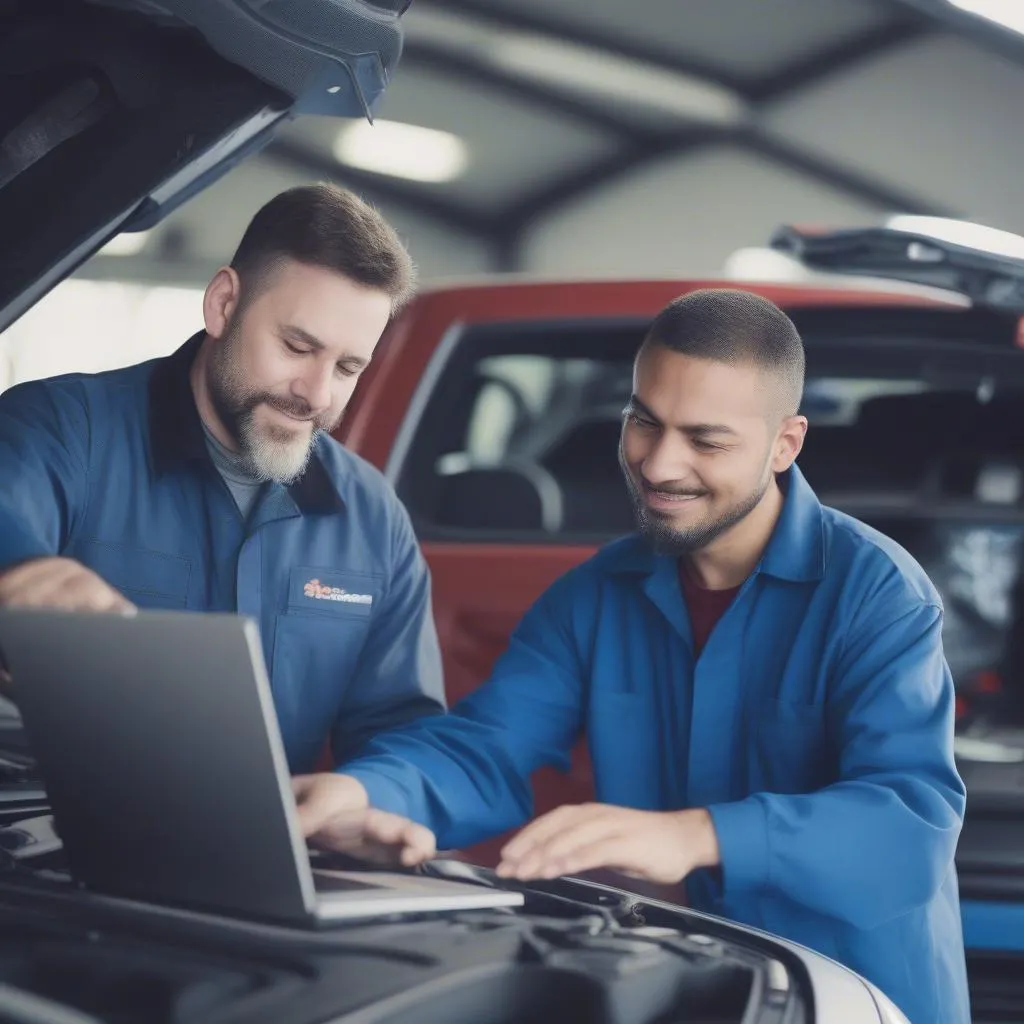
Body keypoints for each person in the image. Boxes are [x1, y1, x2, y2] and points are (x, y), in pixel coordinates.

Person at [291, 289, 970, 1024]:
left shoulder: (877, 594)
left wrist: (696, 835)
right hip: (685, 987)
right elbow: (486, 747)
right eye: (644, 422)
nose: (659, 464)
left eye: (706, 440)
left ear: (786, 443)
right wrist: (363, 793)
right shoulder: (594, 595)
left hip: (856, 998)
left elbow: (907, 825)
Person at [0, 183, 446, 773]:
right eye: (295, 346)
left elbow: (403, 730)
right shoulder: (62, 429)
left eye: (347, 367)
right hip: (50, 848)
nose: (316, 394)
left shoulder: (372, 518)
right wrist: (21, 573)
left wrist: (379, 794)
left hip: (263, 859)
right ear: (223, 304)